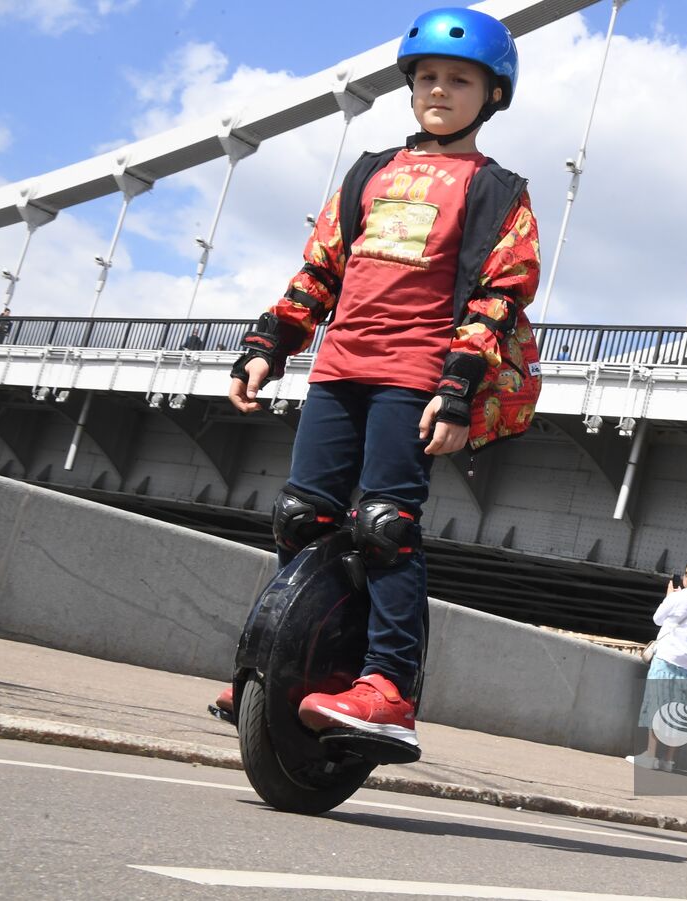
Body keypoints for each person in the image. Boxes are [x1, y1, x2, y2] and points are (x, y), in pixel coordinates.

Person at [215, 7, 540, 749]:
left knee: (384, 526)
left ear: (493, 94)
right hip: (339, 365)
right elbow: (320, 270)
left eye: (459, 79)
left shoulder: (497, 189)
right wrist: (268, 344)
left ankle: (389, 682)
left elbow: (500, 294)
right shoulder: (369, 172)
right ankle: (275, 660)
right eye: (426, 76)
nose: (438, 89)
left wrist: (456, 388)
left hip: (415, 374)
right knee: (302, 517)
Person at [627, 564, 687, 773]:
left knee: (657, 705)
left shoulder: (680, 597)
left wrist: (669, 597)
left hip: (666, 657)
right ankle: (668, 761)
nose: (683, 577)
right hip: (685, 662)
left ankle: (650, 756)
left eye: (685, 574)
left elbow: (657, 619)